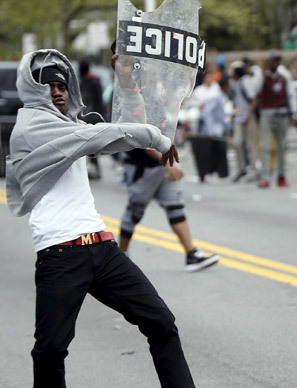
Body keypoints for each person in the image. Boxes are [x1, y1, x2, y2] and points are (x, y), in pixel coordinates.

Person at [6, 49, 194, 387]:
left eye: (62, 85)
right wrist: (156, 138)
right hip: (61, 254)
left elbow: (120, 129)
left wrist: (124, 79)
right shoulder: (30, 128)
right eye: (47, 85)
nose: (57, 91)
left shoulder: (72, 124)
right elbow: (98, 136)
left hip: (103, 249)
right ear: (33, 90)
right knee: (50, 351)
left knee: (161, 322)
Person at [118, 146, 219, 272]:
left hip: (165, 164)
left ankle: (191, 254)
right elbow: (145, 140)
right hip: (143, 167)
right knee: (134, 213)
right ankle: (121, 258)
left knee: (175, 208)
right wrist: (168, 163)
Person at [256, 51, 296, 188]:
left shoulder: (284, 76)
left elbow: (291, 93)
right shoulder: (262, 76)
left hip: (282, 114)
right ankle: (265, 176)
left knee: (282, 147)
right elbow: (254, 91)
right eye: (273, 60)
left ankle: (281, 176)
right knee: (266, 146)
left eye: (277, 61)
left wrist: (294, 112)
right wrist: (262, 72)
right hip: (267, 115)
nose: (276, 63)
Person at [230, 61, 258, 182]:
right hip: (239, 117)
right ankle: (242, 168)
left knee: (250, 145)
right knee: (237, 143)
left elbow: (253, 100)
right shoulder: (238, 84)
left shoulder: (246, 82)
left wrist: (248, 116)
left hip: (247, 118)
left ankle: (255, 170)